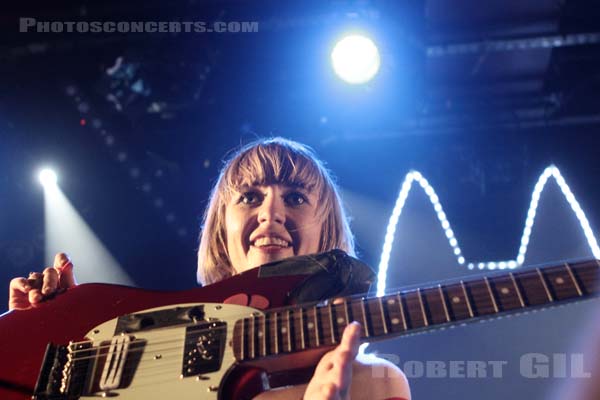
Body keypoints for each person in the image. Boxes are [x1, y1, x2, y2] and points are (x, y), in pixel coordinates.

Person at [8, 137, 411, 400]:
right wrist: (45, 331)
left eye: (296, 198)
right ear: (221, 229)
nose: (271, 213)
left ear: (329, 232)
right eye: (250, 197)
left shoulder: (374, 384)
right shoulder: (161, 342)